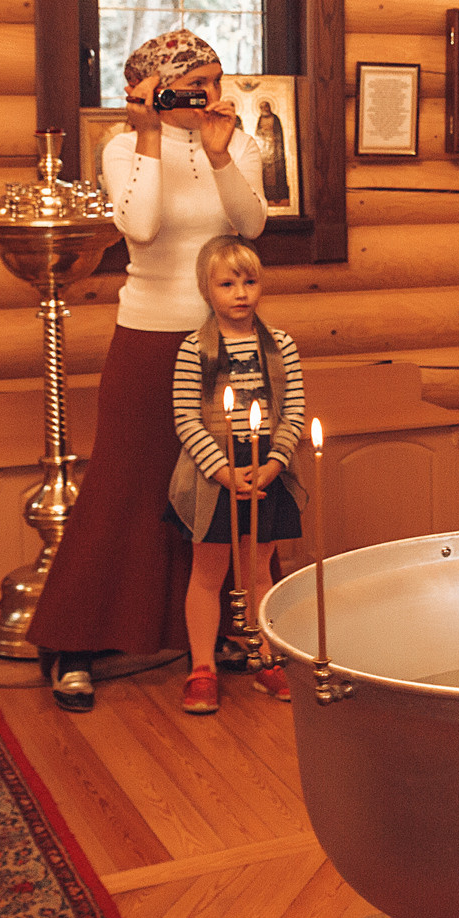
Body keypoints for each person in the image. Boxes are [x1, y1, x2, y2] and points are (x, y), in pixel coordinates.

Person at [28, 30, 268, 714]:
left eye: (217, 81)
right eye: (194, 86)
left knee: (221, 487)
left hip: (225, 337)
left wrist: (222, 156)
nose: (211, 97)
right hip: (149, 338)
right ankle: (75, 641)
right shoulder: (124, 148)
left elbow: (249, 225)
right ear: (155, 93)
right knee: (125, 483)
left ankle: (222, 634)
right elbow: (139, 224)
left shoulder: (239, 142)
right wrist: (152, 137)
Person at [169, 234, 307, 712]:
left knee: (258, 571)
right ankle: (202, 668)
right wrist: (224, 472)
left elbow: (293, 412)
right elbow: (185, 418)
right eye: (227, 284)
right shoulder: (195, 350)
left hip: (266, 469)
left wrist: (273, 465)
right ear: (208, 290)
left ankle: (264, 658)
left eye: (249, 281)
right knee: (208, 574)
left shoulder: (281, 346)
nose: (241, 293)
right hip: (215, 475)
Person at [253, 99, 290, 205]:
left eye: (266, 106)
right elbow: (258, 135)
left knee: (277, 173)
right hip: (265, 150)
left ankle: (279, 195)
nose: (264, 109)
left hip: (274, 150)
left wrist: (273, 137)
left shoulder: (275, 119)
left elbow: (279, 134)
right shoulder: (260, 119)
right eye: (262, 107)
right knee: (266, 175)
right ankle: (268, 196)